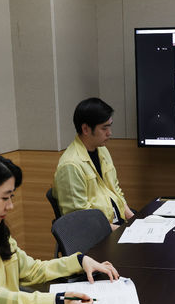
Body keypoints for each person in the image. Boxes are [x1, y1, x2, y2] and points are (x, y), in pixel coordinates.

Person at [0, 152, 119, 304]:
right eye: (4, 198)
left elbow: (31, 270)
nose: (10, 206)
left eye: (11, 197)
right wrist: (56, 301)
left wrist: (79, 261)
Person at [53, 97, 135, 229]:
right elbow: (81, 220)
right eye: (104, 128)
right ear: (85, 129)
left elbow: (115, 190)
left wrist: (133, 219)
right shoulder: (70, 165)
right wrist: (122, 230)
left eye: (110, 126)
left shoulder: (102, 150)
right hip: (96, 236)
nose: (110, 133)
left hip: (115, 225)